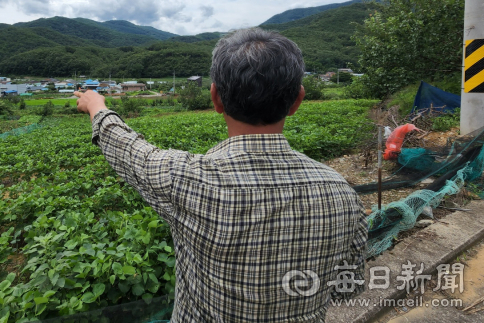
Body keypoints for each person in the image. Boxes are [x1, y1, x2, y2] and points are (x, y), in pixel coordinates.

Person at [75, 28, 367, 323]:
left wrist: (97, 107)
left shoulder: (187, 179)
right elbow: (348, 287)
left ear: (215, 98)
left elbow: (130, 150)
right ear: (297, 101)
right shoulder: (343, 193)